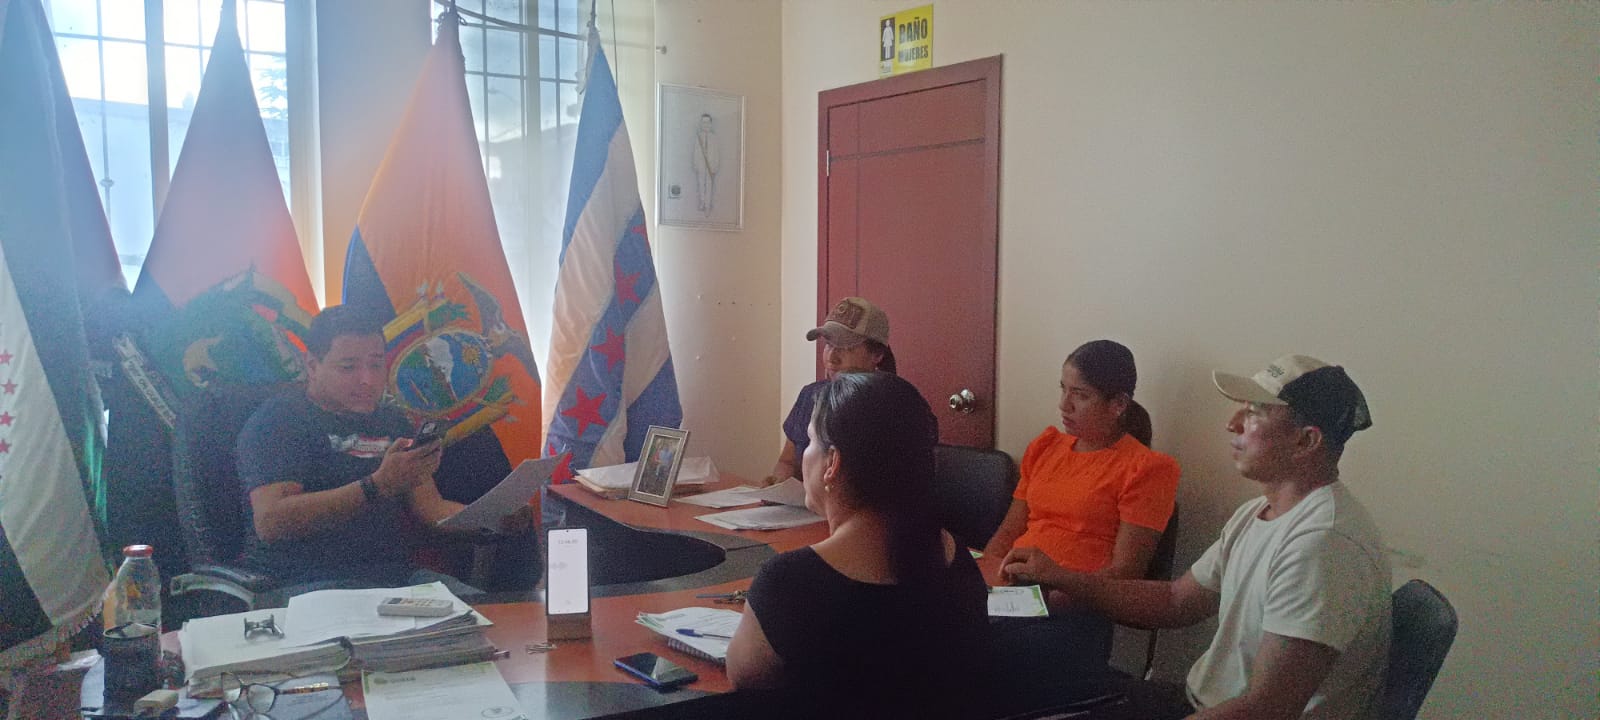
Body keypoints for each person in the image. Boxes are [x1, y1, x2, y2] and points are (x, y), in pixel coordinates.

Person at [1002, 355, 1391, 720]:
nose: (1233, 423)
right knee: (1031, 694)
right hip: (1199, 702)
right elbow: (1176, 601)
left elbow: (1269, 709)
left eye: (1255, 412)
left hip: (1224, 713)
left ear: (1306, 441)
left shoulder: (1322, 544)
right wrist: (1063, 577)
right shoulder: (1257, 513)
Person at [727, 372, 990, 718]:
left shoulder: (790, 583)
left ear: (832, 462)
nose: (804, 455)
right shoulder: (956, 559)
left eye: (810, 441)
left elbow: (744, 676)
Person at [237, 305, 535, 598]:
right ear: (312, 366)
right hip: (306, 584)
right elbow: (270, 522)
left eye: (376, 365)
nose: (367, 380)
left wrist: (491, 519)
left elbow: (431, 509)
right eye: (349, 367)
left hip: (394, 580)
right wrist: (376, 486)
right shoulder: (279, 420)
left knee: (491, 615)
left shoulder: (391, 420)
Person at [767, 297, 897, 485]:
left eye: (846, 347)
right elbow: (787, 462)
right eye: (828, 344)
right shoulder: (810, 396)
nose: (832, 357)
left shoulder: (894, 410)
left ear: (877, 354)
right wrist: (779, 483)